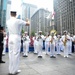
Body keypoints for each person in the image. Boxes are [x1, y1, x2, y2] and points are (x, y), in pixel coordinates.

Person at [6, 9, 30, 75]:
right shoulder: (18, 21)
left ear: (10, 14)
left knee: (10, 54)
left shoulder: (7, 21)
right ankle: (15, 70)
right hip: (16, 37)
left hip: (10, 37)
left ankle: (10, 70)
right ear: (16, 14)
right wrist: (28, 20)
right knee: (16, 54)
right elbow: (28, 24)